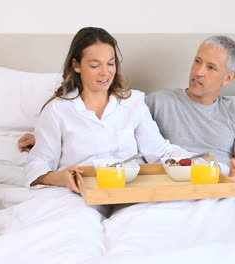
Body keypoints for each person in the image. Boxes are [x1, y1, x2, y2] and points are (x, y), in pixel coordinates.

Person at [23, 27, 196, 193]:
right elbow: (37, 166)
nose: (105, 73)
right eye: (94, 65)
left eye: (110, 63)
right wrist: (61, 178)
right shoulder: (57, 110)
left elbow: (160, 152)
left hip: (129, 190)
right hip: (79, 192)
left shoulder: (133, 102)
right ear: (76, 65)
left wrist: (201, 162)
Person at [145, 35, 235, 188]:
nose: (198, 72)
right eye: (197, 61)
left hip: (217, 189)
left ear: (228, 78)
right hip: (170, 189)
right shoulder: (158, 102)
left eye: (211, 67)